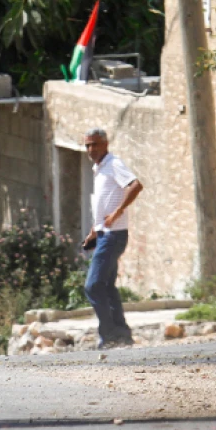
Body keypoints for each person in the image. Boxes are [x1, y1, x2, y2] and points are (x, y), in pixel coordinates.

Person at [81, 128, 143, 349]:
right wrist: (93, 231)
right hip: (105, 234)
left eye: (95, 144)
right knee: (106, 286)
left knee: (93, 285)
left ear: (105, 144)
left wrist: (118, 212)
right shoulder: (99, 168)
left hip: (114, 235)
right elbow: (102, 204)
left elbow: (135, 186)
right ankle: (122, 334)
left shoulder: (114, 164)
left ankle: (109, 335)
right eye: (87, 145)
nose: (91, 149)